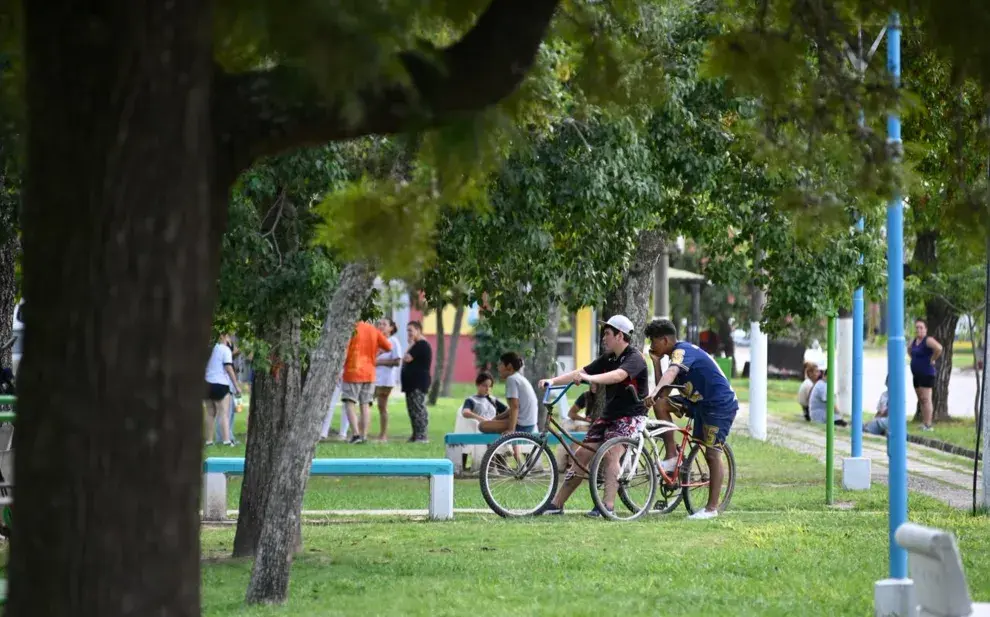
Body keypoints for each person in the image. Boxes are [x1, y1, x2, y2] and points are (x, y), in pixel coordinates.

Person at [537, 315, 649, 517]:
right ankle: (556, 505)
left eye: (607, 333)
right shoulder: (609, 358)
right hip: (610, 414)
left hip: (632, 415)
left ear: (619, 335)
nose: (604, 338)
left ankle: (607, 506)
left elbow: (618, 376)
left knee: (612, 453)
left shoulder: (635, 358)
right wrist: (552, 381)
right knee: (581, 455)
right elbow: (580, 372)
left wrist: (589, 378)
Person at [644, 318, 738, 520]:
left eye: (653, 341)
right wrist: (656, 363)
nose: (651, 346)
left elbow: (671, 373)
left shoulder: (681, 351)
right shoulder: (671, 357)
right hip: (697, 402)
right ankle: (671, 456)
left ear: (666, 340)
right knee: (661, 405)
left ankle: (711, 509)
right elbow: (664, 394)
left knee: (712, 454)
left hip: (719, 404)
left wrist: (656, 389)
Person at [341, 321, 393, 444]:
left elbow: (344, 350)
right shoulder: (373, 329)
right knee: (365, 404)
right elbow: (388, 347)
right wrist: (376, 353)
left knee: (350, 402)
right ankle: (364, 436)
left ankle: (355, 434)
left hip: (352, 370)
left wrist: (339, 368)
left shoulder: (351, 328)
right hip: (369, 373)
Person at [455, 371, 507, 470]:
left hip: (493, 427)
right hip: (480, 427)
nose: (487, 389)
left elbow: (507, 411)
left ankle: (500, 464)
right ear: (478, 385)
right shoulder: (471, 400)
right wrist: (480, 419)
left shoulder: (492, 400)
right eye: (484, 386)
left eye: (490, 386)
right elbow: (465, 412)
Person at [478, 352, 539, 434]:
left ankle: (507, 442)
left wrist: (511, 430)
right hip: (529, 424)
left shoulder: (511, 379)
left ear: (509, 366)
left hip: (522, 426)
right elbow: (514, 408)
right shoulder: (519, 378)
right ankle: (512, 445)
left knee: (482, 426)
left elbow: (515, 406)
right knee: (494, 421)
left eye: (500, 364)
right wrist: (498, 417)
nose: (497, 367)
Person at [204, 333, 241, 446]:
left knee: (210, 413)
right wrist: (236, 386)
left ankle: (209, 441)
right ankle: (226, 440)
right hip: (221, 384)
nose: (230, 339)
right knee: (223, 413)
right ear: (223, 337)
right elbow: (228, 368)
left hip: (207, 383)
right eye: (228, 336)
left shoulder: (209, 349)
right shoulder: (225, 350)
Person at [909, 318, 942, 431]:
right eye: (917, 327)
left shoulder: (928, 340)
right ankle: (924, 422)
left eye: (921, 327)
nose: (918, 329)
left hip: (926, 374)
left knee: (926, 399)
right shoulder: (914, 341)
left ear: (926, 329)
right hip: (916, 375)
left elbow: (939, 348)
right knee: (921, 399)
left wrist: (932, 359)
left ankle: (928, 425)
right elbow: (909, 350)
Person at [401, 321, 432, 443]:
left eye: (411, 330)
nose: (408, 333)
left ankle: (422, 435)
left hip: (418, 383)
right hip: (411, 383)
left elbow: (407, 358)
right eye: (407, 330)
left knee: (418, 408)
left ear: (418, 330)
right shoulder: (416, 344)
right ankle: (415, 434)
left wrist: (410, 344)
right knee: (412, 409)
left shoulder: (421, 344)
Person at [373, 318, 403, 442]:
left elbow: (397, 361)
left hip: (385, 380)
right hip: (372, 378)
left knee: (382, 406)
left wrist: (378, 362)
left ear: (391, 328)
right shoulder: (376, 341)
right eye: (379, 324)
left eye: (384, 324)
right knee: (366, 404)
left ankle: (383, 435)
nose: (381, 326)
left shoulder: (393, 341)